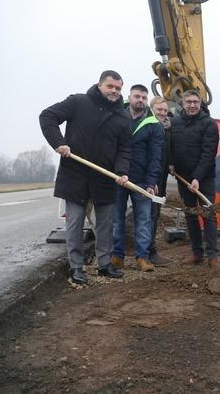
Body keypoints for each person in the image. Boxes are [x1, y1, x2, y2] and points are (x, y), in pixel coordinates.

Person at [39, 70, 131, 284]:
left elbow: (125, 149)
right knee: (75, 224)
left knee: (105, 225)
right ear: (99, 85)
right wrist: (58, 143)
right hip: (75, 174)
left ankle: (105, 265)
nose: (114, 91)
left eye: (118, 88)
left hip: (104, 178)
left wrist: (122, 172)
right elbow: (47, 116)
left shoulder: (123, 117)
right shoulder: (78, 102)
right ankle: (76, 267)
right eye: (110, 86)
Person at [110, 84, 164, 272]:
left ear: (146, 100)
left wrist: (151, 182)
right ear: (129, 97)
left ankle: (142, 257)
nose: (140, 100)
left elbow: (155, 157)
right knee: (116, 219)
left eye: (143, 97)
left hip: (141, 180)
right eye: (137, 96)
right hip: (117, 177)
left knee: (143, 220)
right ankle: (117, 256)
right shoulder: (117, 116)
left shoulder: (153, 125)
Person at [169, 90, 219, 266]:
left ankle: (213, 255)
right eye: (188, 102)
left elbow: (208, 153)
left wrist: (197, 177)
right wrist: (171, 163)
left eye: (195, 102)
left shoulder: (209, 124)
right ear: (182, 103)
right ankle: (197, 252)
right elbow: (172, 146)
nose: (192, 105)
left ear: (200, 104)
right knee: (190, 215)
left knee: (208, 214)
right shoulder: (175, 122)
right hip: (183, 177)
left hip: (204, 178)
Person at [146, 97, 172, 266]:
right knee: (148, 214)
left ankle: (150, 250)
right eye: (159, 110)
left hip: (160, 177)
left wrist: (171, 164)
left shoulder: (166, 128)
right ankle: (147, 252)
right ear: (152, 109)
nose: (162, 113)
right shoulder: (147, 126)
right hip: (149, 179)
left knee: (155, 214)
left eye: (164, 110)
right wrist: (151, 179)